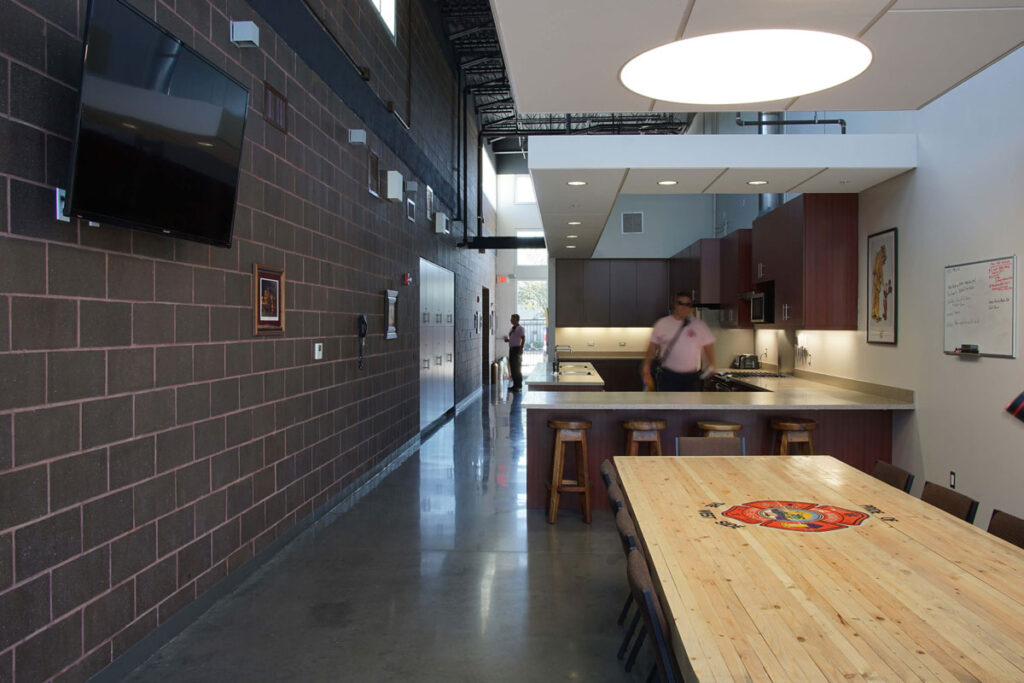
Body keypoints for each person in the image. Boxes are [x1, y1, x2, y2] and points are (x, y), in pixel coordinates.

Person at [642, 293, 716, 391]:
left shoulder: (699, 325)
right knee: (668, 406)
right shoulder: (662, 323)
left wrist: (712, 363)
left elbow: (708, 345)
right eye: (681, 303)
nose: (684, 307)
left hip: (691, 378)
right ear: (675, 305)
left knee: (690, 405)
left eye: (688, 304)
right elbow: (652, 346)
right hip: (668, 376)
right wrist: (646, 366)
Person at [504, 314, 526, 392]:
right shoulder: (512, 328)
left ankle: (519, 385)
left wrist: (521, 348)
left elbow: (523, 338)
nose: (511, 320)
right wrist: (508, 340)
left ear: (516, 319)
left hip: (517, 349)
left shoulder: (520, 328)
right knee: (513, 368)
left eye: (512, 319)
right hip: (512, 349)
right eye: (511, 318)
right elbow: (514, 339)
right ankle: (515, 385)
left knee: (517, 368)